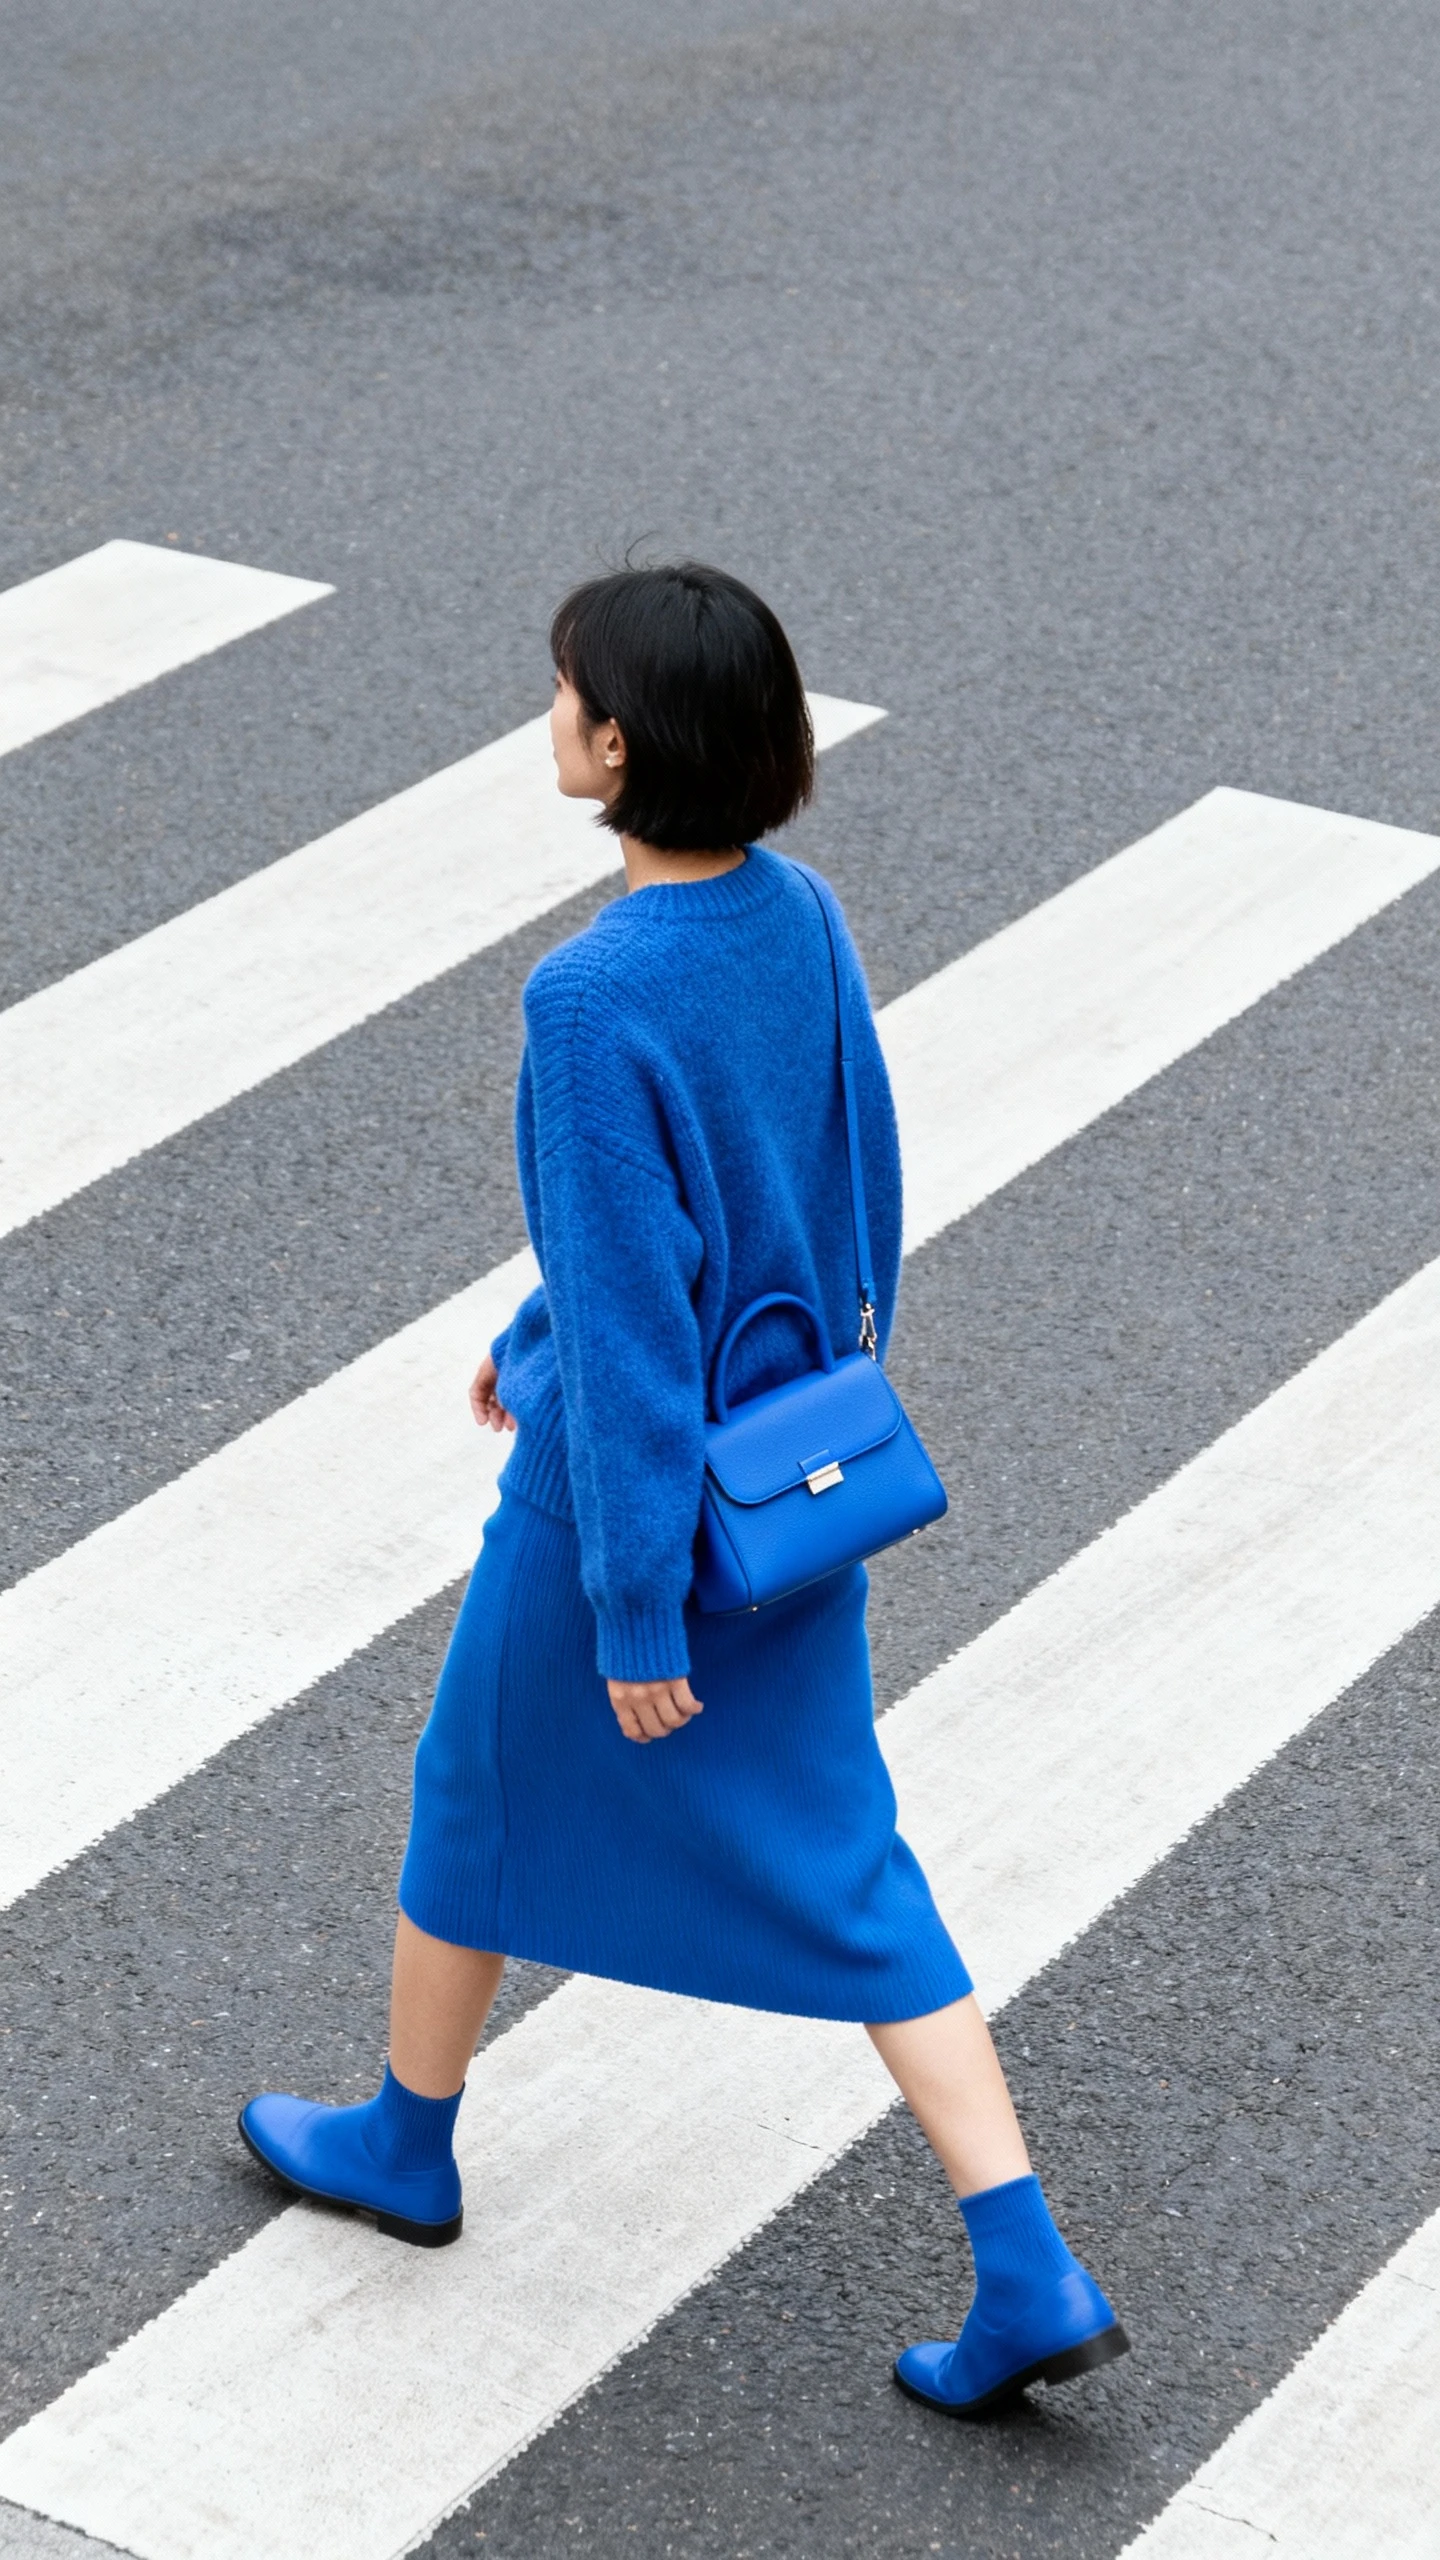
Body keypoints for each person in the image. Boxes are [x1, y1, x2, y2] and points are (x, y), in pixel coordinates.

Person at [239, 561, 1128, 2419]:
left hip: (627, 1517)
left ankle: (406, 2146)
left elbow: (647, 1321)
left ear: (619, 746)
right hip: (794, 1474)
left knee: (473, 1787)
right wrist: (558, 1319)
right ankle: (1025, 2255)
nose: (549, 713)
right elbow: (828, 1193)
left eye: (565, 692)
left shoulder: (589, 995)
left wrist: (640, 1596)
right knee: (852, 1862)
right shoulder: (800, 919)